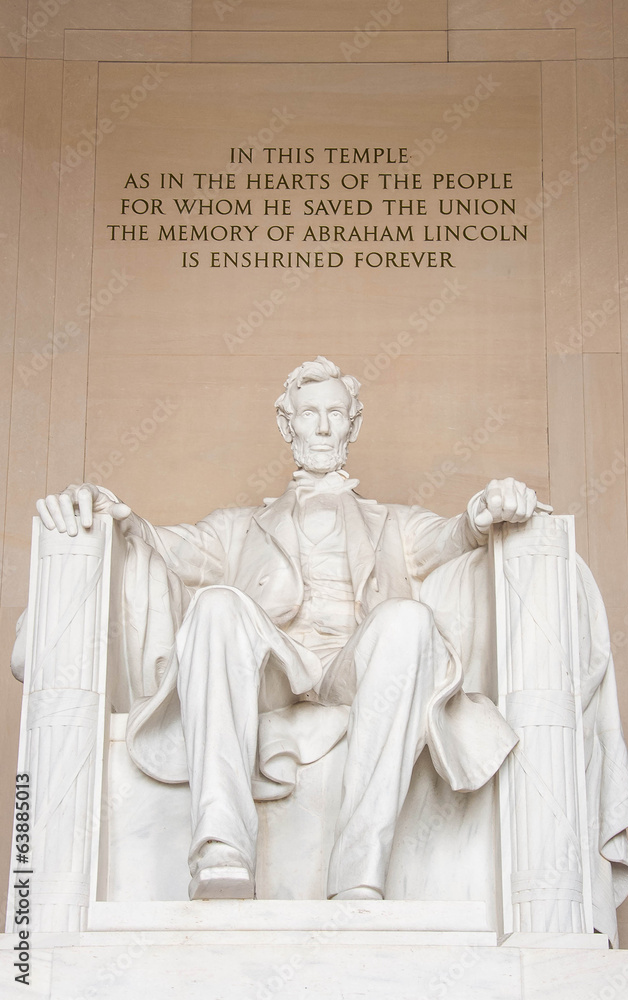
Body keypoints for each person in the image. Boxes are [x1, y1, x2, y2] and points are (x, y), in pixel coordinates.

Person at [37, 356, 538, 902]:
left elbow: (457, 535)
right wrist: (110, 511)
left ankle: (359, 869)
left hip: (358, 671)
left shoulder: (396, 524)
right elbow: (158, 544)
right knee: (217, 605)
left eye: (335, 414)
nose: (323, 426)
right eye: (309, 414)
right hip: (275, 673)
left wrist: (486, 508)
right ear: (287, 425)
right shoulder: (235, 528)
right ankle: (221, 850)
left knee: (408, 618)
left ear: (355, 424)